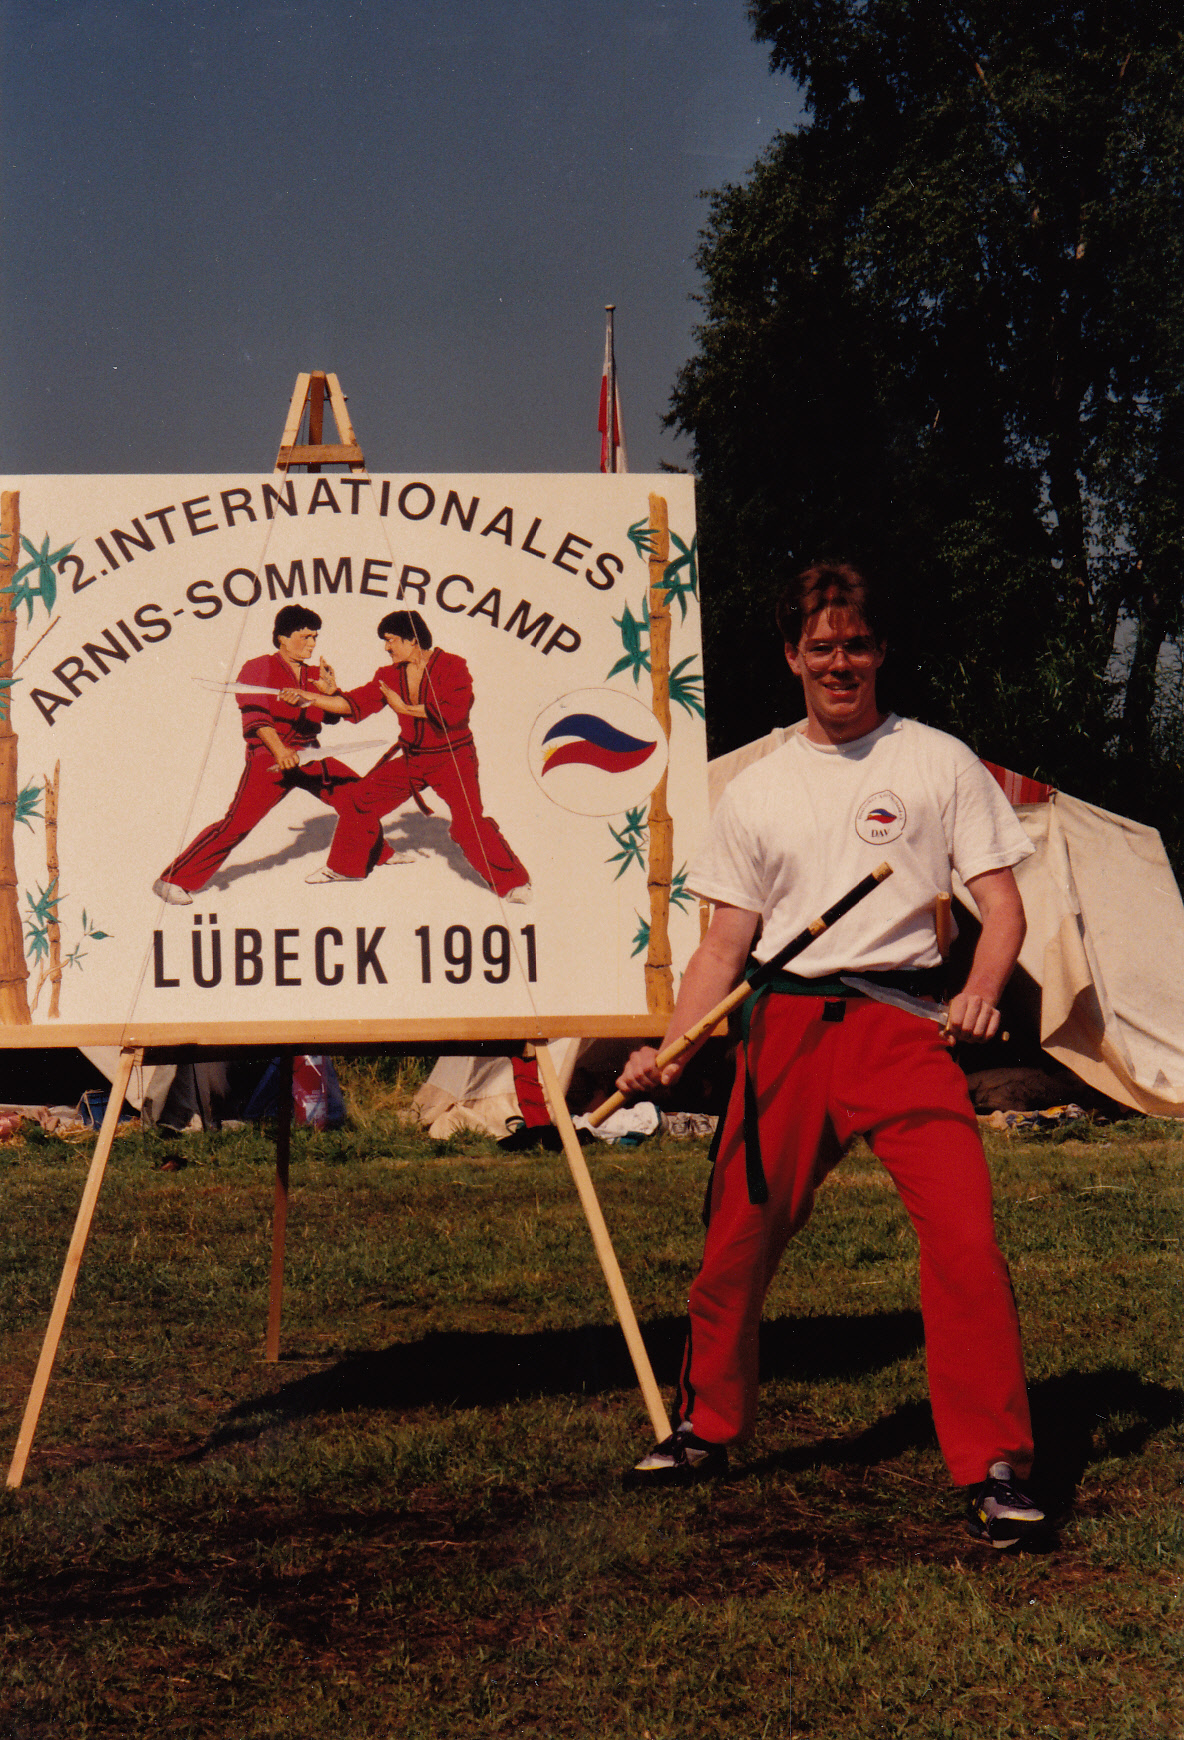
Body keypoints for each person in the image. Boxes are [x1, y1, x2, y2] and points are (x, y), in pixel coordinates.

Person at [616, 560, 1045, 1548]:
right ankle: (704, 1428)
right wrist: (670, 1051)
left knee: (965, 1242)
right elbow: (722, 947)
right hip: (787, 1036)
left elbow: (1003, 909)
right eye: (821, 646)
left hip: (903, 1028)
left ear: (880, 650)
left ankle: (994, 1465)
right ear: (790, 657)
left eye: (855, 644)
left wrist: (978, 992)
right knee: (734, 1240)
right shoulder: (756, 789)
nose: (839, 662)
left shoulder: (939, 762)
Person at [303, 609, 531, 900]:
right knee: (360, 799)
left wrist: (406, 709)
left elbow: (455, 711)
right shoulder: (389, 675)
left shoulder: (452, 666)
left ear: (412, 640)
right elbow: (356, 704)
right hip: (414, 759)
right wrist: (318, 696)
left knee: (468, 823)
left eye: (391, 640)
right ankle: (344, 868)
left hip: (453, 759)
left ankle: (513, 883)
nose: (386, 647)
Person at [154, 605, 359, 904]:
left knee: (360, 797)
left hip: (311, 752)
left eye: (315, 637)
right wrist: (280, 751)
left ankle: (380, 855)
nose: (312, 644)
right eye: (305, 637)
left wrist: (330, 690)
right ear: (282, 638)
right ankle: (171, 880)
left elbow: (332, 718)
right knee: (237, 823)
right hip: (270, 756)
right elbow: (256, 715)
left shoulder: (315, 673)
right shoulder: (259, 666)